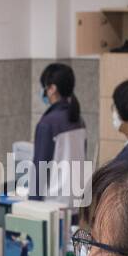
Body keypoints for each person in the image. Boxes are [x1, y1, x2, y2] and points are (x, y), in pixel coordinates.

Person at [33, 62, 88, 205]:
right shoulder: (79, 120)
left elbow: (40, 168)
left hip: (53, 205)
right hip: (76, 202)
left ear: (52, 89)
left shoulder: (48, 122)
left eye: (44, 87)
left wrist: (31, 204)